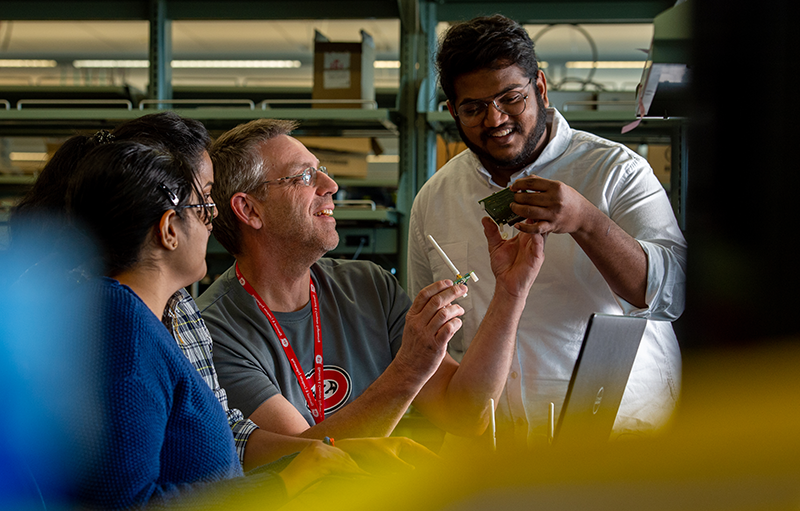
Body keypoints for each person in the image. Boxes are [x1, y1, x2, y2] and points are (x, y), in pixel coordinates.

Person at [407, 14, 687, 446]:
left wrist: (587, 221)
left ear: (539, 86)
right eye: (473, 107)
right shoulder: (435, 199)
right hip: (494, 448)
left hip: (620, 438)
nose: (495, 119)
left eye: (510, 98)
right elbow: (428, 338)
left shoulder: (616, 171)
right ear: (452, 111)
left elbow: (673, 295)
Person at [62, 138, 369, 509]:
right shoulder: (127, 336)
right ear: (169, 230)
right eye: (203, 205)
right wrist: (282, 483)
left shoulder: (146, 321)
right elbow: (126, 503)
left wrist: (310, 459)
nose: (213, 219)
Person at [196, 118, 545, 443]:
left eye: (323, 171)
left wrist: (511, 291)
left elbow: (466, 415)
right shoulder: (214, 332)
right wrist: (408, 369)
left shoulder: (369, 286)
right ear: (249, 210)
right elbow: (301, 462)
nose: (330, 186)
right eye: (304, 177)